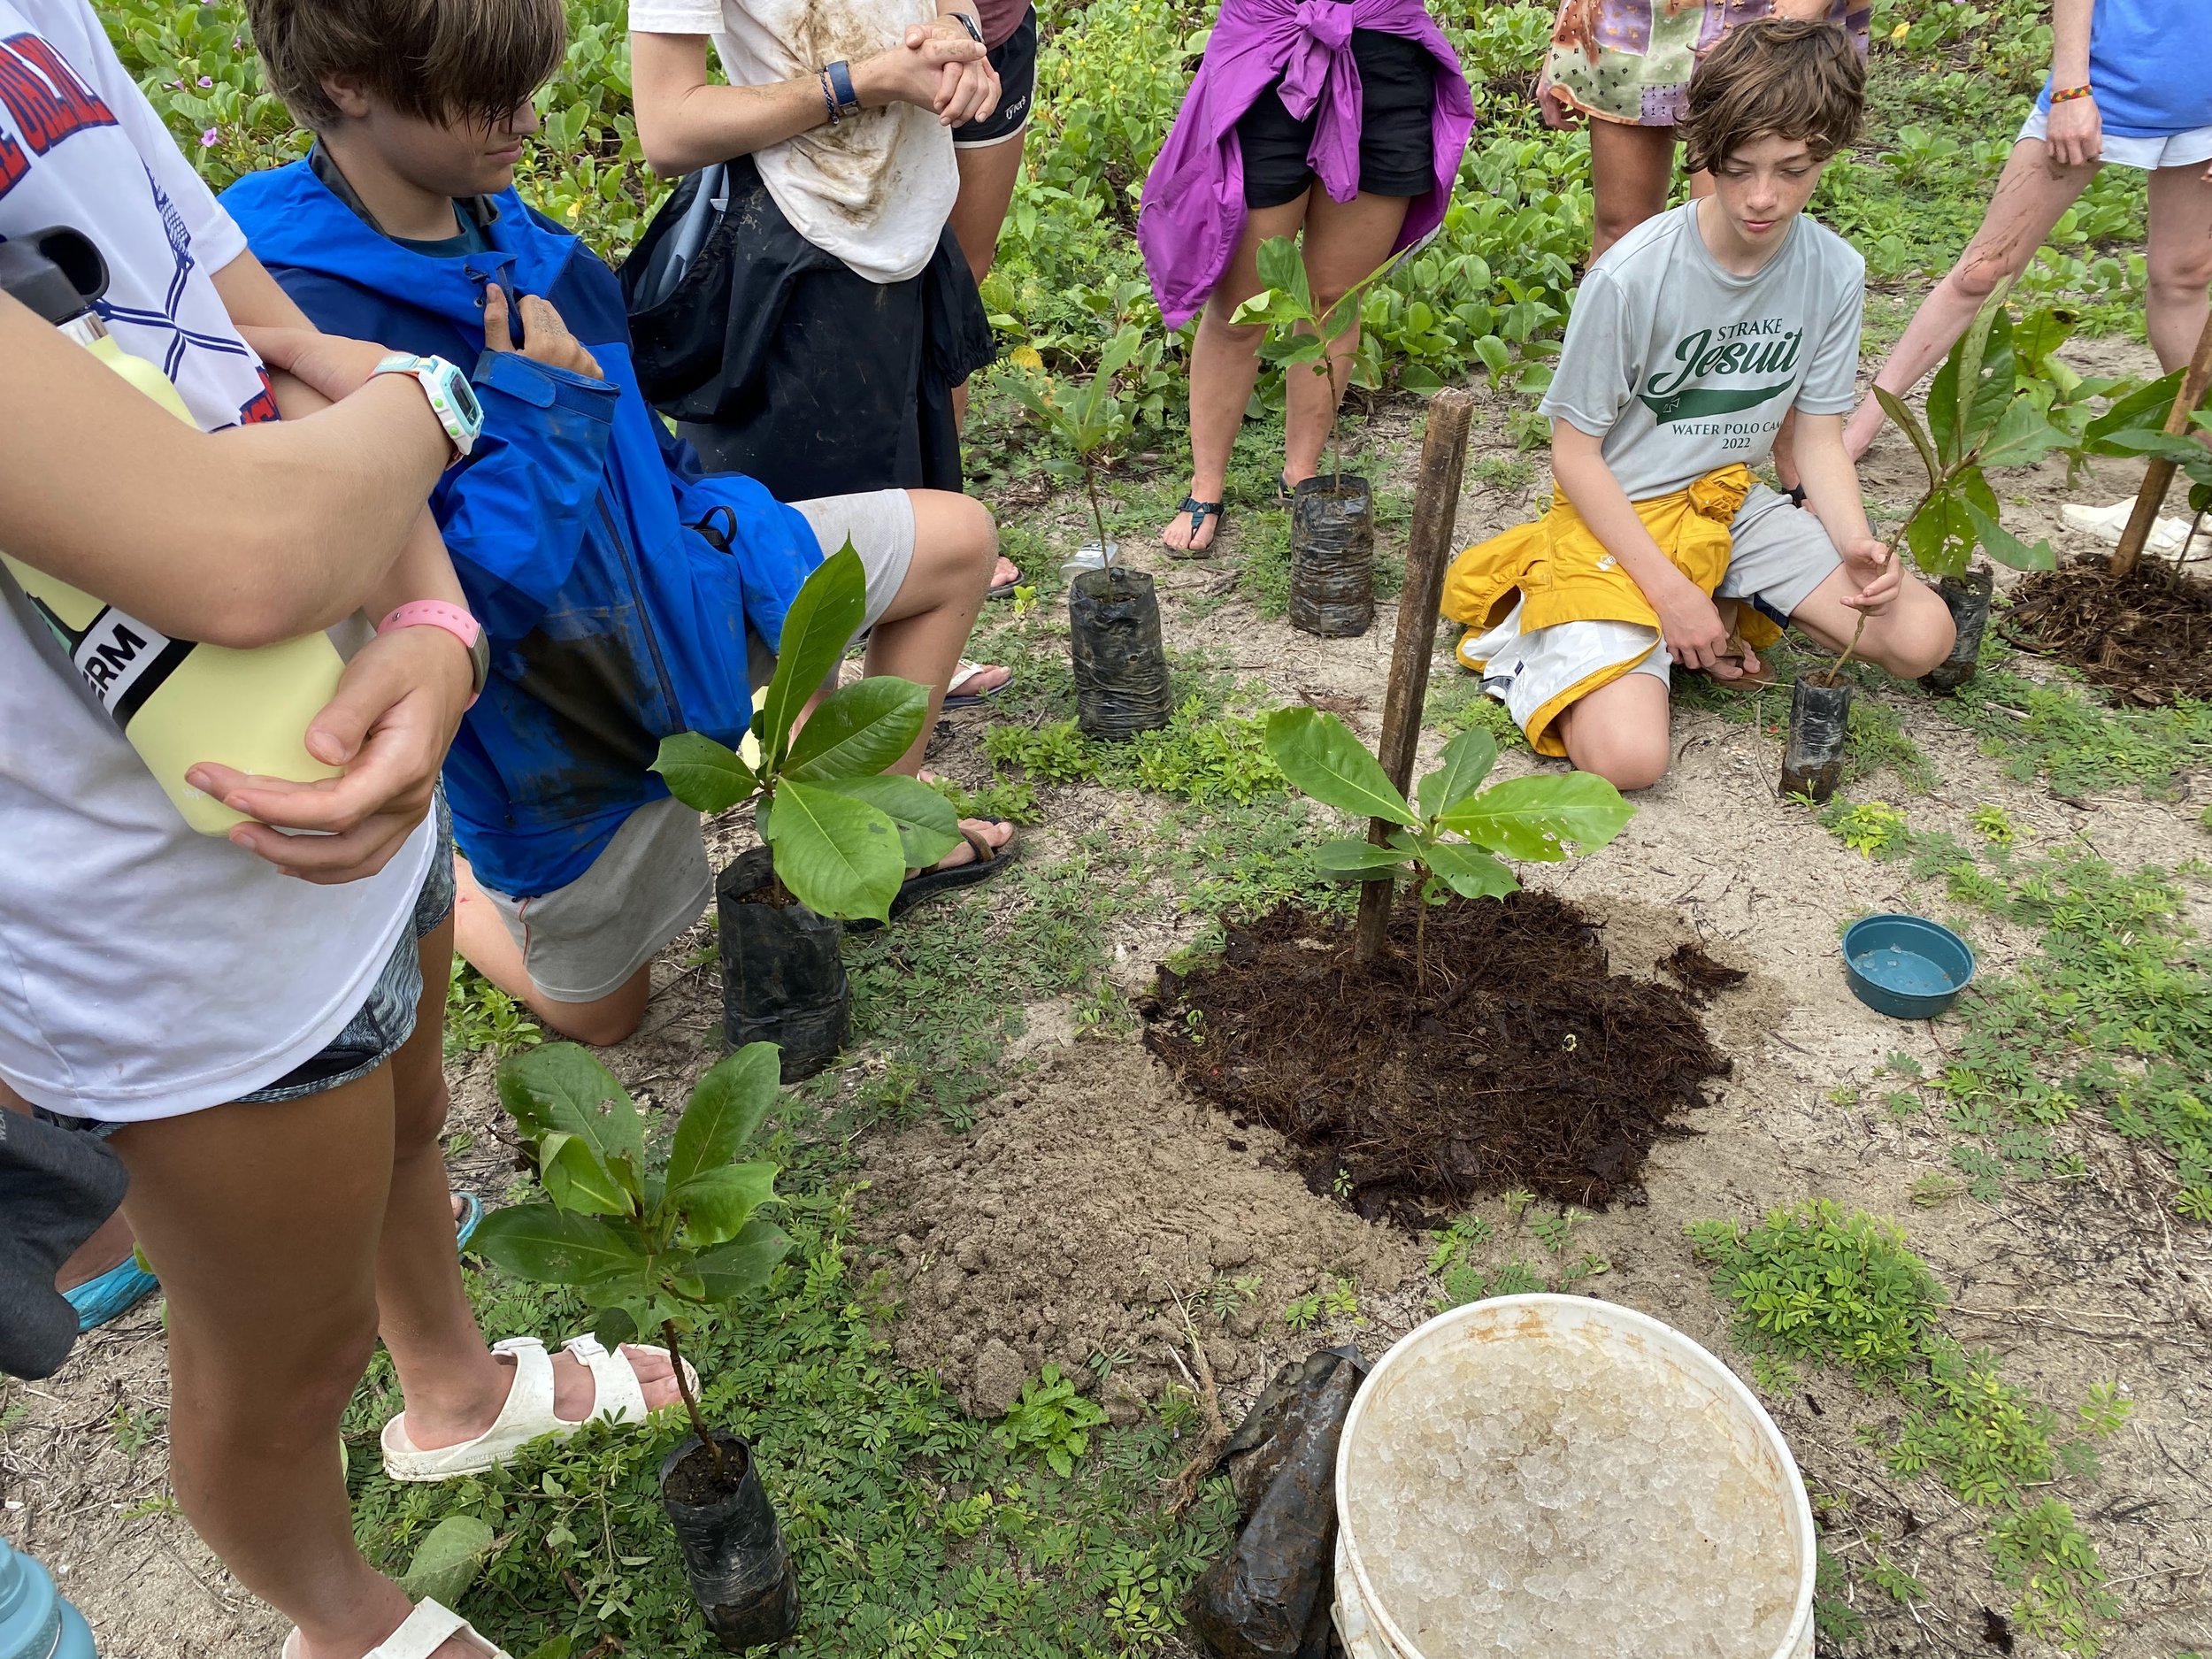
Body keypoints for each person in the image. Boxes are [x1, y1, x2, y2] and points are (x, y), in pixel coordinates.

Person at [0, 5, 699, 1655]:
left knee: (407, 1128)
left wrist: (431, 621)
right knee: (281, 1359)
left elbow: (259, 344)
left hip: (359, 758)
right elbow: (238, 547)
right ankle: (340, 1612)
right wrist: (443, 404)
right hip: (162, 912)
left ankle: (453, 1391)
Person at [225, 0, 1021, 1050]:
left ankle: (861, 839)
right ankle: (459, 892)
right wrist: (535, 410)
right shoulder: (291, 304)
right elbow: (450, 604)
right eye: (485, 93)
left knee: (955, 542)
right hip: (563, 709)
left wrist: (718, 515)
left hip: (688, 585)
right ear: (346, 84)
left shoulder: (511, 224)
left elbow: (642, 444)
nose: (522, 119)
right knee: (603, 1015)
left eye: (528, 85)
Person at [1441, 19, 1954, 792]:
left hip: (1723, 506)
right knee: (1630, 760)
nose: (1762, 197)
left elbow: (1816, 436)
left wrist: (1854, 540)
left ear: (1828, 152)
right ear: (1704, 151)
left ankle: (1680, 621)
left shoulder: (1832, 272)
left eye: (1792, 170)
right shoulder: (1632, 276)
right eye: (1740, 167)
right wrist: (1673, 594)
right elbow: (1575, 456)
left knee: (1922, 637)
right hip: (1614, 510)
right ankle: (1539, 621)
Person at [623, 0, 1025, 599]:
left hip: (912, 230)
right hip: (794, 252)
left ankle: (892, 690)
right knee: (793, 593)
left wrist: (956, 33)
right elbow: (669, 126)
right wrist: (864, 82)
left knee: (918, 562)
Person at [1139, 0, 1474, 555]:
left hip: (1384, 58)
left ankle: (1303, 474)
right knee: (1242, 304)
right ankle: (1207, 484)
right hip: (1268, 54)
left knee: (1332, 301)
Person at [1843, 0, 2212, 465]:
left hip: (2204, 114)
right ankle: (1860, 429)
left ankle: (2203, 445)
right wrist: (2069, 87)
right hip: (2103, 86)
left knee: (2185, 277)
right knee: (1984, 271)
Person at [1539, 0, 1870, 264]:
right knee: (1621, 238)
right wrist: (1567, 37)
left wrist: (1794, 14)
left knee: (1731, 242)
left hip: (1763, 15)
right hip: (1634, 17)